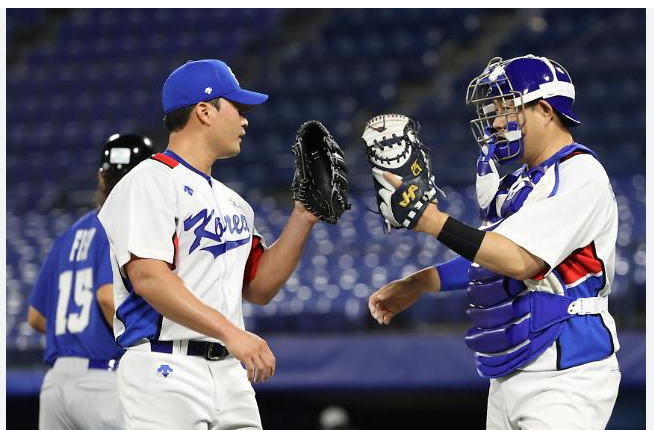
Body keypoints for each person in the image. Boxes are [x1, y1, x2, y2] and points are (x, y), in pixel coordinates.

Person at [368, 55, 620, 430]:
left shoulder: (580, 173)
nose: (497, 122)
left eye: (506, 109)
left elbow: (522, 262)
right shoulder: (522, 181)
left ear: (545, 110)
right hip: (512, 369)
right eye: (494, 111)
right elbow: (492, 259)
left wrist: (433, 221)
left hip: (566, 369)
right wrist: (421, 282)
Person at [98, 59, 321, 430]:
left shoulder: (234, 203)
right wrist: (231, 333)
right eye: (237, 108)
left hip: (230, 372)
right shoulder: (148, 180)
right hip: (164, 367)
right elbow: (149, 278)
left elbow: (259, 287)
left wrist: (303, 218)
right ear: (204, 111)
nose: (245, 121)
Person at [27, 133, 155, 430]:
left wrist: (78, 337)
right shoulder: (121, 225)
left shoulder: (69, 234)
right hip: (103, 380)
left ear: (101, 177)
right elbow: (106, 297)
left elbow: (35, 317)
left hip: (55, 384)